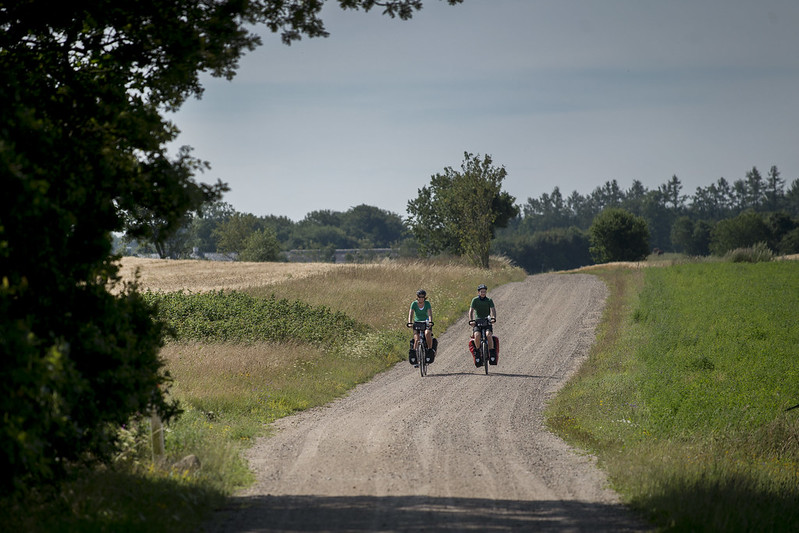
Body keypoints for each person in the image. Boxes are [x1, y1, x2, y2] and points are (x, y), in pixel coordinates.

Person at [469, 283, 496, 360]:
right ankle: (477, 352)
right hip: (477, 321)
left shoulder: (489, 300)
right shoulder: (475, 300)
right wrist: (471, 320)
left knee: (488, 335)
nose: (483, 293)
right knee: (477, 335)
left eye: (484, 292)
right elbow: (471, 311)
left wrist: (493, 318)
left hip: (487, 321)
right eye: (481, 292)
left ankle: (491, 352)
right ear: (478, 292)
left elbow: (493, 310)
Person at [408, 289, 435, 365]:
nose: (421, 298)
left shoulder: (427, 303)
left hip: (425, 322)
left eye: (423, 297)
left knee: (427, 333)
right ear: (417, 297)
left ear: (424, 297)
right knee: (416, 339)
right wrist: (410, 322)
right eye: (420, 297)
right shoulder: (414, 304)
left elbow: (429, 314)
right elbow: (410, 314)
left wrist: (430, 322)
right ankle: (415, 356)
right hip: (417, 323)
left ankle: (429, 350)